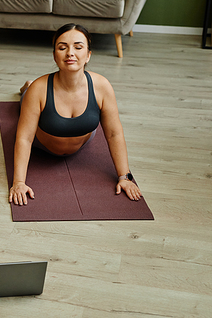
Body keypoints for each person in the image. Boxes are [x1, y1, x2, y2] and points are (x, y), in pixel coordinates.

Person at [10, 23, 142, 206]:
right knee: (27, 96)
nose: (70, 53)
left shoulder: (102, 86)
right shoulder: (39, 90)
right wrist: (18, 183)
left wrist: (125, 176)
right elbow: (24, 138)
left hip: (82, 140)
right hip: (43, 144)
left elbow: (114, 133)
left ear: (88, 55)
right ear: (55, 56)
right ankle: (26, 86)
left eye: (78, 47)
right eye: (62, 47)